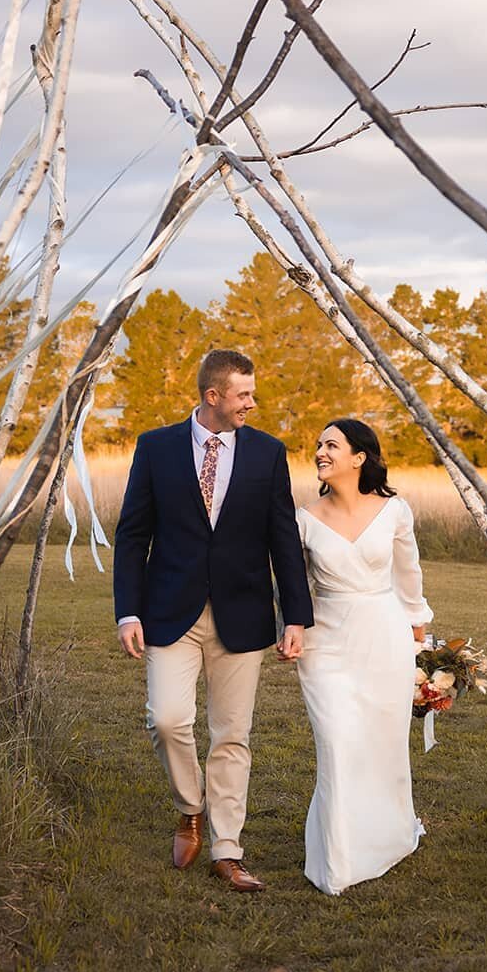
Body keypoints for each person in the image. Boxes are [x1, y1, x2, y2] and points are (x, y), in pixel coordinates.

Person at [113, 349, 314, 893]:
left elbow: (282, 539)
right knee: (167, 719)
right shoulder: (155, 448)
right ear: (213, 396)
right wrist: (127, 610)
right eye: (244, 394)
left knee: (232, 735)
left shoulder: (268, 454)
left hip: (243, 613)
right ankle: (189, 806)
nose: (253, 402)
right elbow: (133, 533)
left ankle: (227, 850)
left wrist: (295, 615)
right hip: (167, 611)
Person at [295, 418, 432, 896]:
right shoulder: (304, 518)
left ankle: (387, 835)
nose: (320, 452)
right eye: (318, 445)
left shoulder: (394, 511)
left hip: (385, 639)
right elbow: (293, 589)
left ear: (359, 457)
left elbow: (408, 574)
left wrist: (421, 638)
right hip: (325, 644)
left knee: (381, 743)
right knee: (336, 742)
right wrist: (289, 629)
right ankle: (337, 857)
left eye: (331, 444)